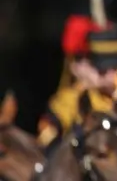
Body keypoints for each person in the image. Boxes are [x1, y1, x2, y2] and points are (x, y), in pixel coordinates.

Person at [37, 15, 100, 149]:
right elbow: (46, 145)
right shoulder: (63, 103)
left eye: (92, 58)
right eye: (80, 59)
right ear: (72, 65)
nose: (88, 65)